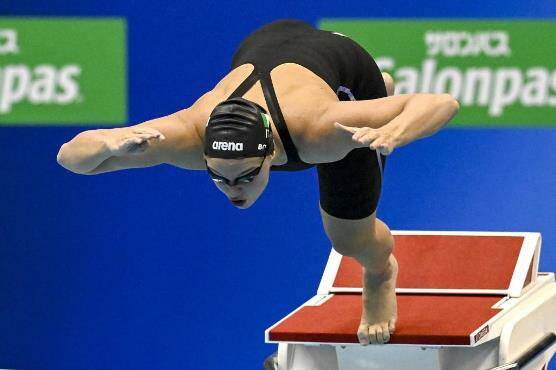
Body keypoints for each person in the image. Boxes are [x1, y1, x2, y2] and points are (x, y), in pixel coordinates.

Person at [57, 19, 459, 345]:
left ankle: (380, 273)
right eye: (219, 176)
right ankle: (375, 105)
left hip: (339, 72)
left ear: (270, 154)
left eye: (246, 176)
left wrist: (398, 130)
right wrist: (109, 141)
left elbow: (441, 103)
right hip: (269, 40)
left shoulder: (320, 131)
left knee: (349, 239)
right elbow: (72, 158)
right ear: (204, 157)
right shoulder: (187, 136)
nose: (234, 190)